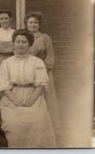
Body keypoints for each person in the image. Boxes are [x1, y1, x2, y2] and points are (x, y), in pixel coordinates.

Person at [0, 29, 56, 147]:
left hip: (33, 95)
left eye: (24, 42)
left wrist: (31, 100)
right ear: (13, 43)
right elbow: (4, 86)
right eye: (18, 41)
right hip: (12, 98)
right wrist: (15, 101)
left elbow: (40, 84)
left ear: (29, 44)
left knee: (37, 123)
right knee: (13, 124)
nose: (20, 44)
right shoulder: (6, 63)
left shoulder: (37, 62)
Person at [24, 11, 62, 144]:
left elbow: (50, 57)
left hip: (43, 72)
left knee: (45, 99)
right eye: (30, 22)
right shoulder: (23, 37)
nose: (33, 25)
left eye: (35, 22)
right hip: (26, 74)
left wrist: (40, 70)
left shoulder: (45, 38)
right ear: (26, 24)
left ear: (39, 24)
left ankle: (47, 131)